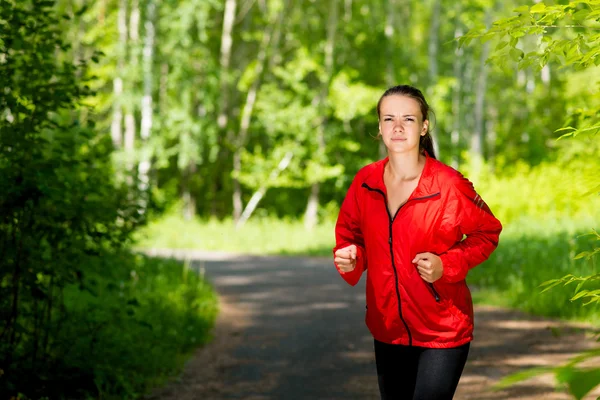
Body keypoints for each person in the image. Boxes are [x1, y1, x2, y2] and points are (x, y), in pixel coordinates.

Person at [333, 85, 502, 400]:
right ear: (380, 127)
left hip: (442, 330)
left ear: (424, 126)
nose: (397, 127)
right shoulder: (365, 182)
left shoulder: (449, 184)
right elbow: (351, 235)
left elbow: (487, 232)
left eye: (408, 119)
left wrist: (446, 264)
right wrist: (352, 255)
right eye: (388, 119)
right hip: (387, 327)